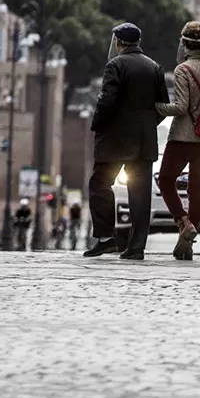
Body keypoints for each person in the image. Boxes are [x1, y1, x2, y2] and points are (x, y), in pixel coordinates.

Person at [85, 22, 170, 260]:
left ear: (119, 42)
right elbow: (162, 105)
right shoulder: (155, 67)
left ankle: (105, 238)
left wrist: (98, 125)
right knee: (140, 194)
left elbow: (106, 102)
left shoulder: (115, 65)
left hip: (114, 140)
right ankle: (136, 248)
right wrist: (146, 125)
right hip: (144, 141)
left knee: (100, 184)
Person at [155, 21, 200, 261]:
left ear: (184, 44)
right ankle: (189, 239)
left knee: (165, 179)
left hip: (184, 136)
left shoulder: (183, 70)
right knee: (197, 187)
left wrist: (158, 107)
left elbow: (181, 107)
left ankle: (183, 222)